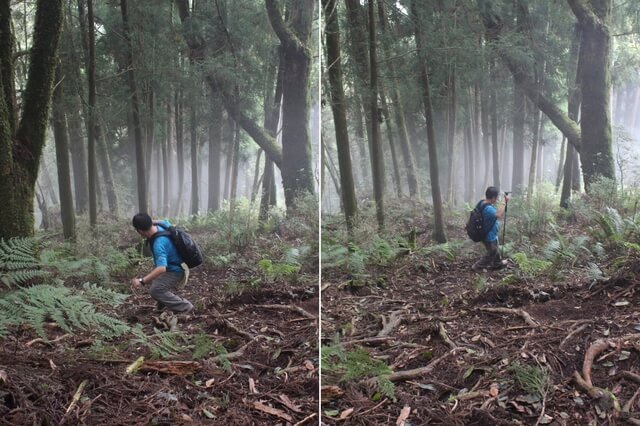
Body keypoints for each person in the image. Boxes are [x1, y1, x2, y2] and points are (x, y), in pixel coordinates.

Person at [131, 213, 193, 313]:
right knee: (157, 281)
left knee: (155, 290)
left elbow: (161, 268)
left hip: (176, 270)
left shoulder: (158, 244)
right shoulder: (162, 226)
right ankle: (163, 306)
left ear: (140, 231)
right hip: (179, 265)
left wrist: (142, 281)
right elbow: (164, 221)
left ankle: (186, 307)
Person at [472, 186, 509, 271]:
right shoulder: (488, 208)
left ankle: (497, 264)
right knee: (492, 251)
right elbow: (499, 214)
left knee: (495, 249)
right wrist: (504, 202)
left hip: (486, 232)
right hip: (488, 235)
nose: (496, 199)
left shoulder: (483, 203)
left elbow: (496, 213)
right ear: (493, 197)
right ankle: (477, 266)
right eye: (496, 198)